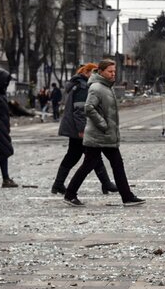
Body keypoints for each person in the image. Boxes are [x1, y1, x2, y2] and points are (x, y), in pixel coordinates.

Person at [63, 59, 145, 207]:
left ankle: (127, 196)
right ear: (101, 72)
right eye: (110, 71)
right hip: (98, 135)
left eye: (114, 71)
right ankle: (70, 194)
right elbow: (89, 108)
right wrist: (103, 124)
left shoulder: (107, 86)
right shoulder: (96, 87)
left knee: (116, 164)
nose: (113, 74)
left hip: (106, 135)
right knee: (89, 165)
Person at [52, 63, 118, 195]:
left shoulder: (79, 84)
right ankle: (106, 184)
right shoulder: (83, 86)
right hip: (79, 129)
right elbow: (80, 110)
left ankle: (58, 184)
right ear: (87, 73)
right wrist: (82, 130)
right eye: (94, 73)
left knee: (74, 156)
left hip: (75, 128)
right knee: (93, 155)